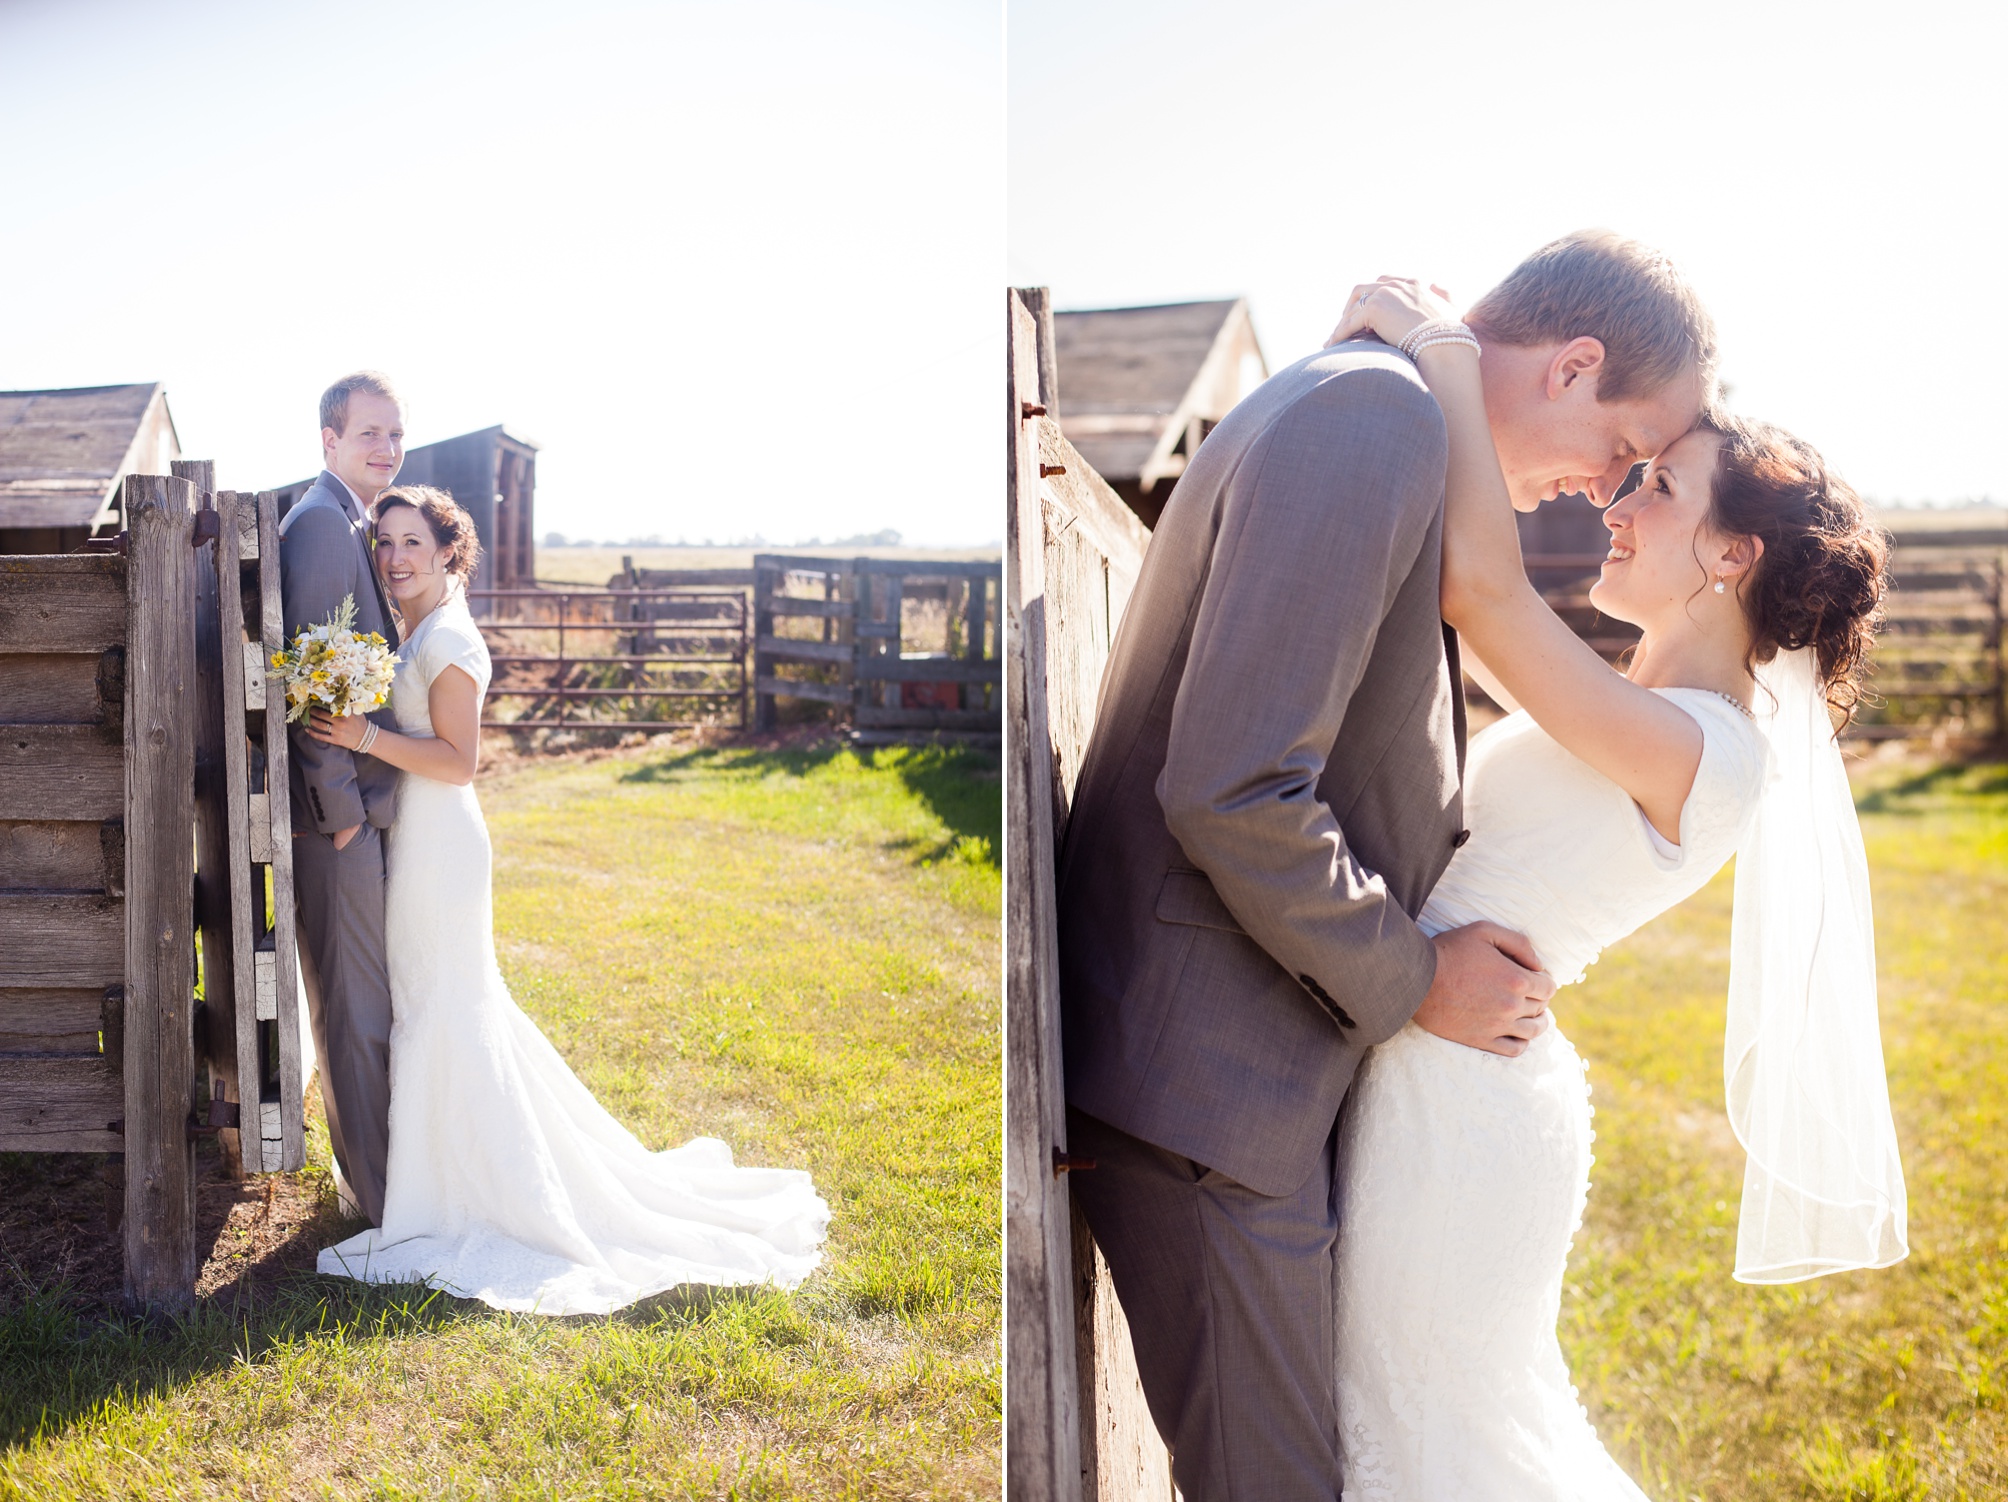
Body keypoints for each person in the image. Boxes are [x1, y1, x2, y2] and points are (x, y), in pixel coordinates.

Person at [1060, 231, 1719, 1500]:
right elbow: (1236, 786)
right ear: (1573, 366)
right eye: (1624, 451)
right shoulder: (1376, 420)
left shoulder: (1380, 411)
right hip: (1210, 1082)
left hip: (1231, 1078)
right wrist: (1417, 973)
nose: (1605, 489)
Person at [1318, 277, 1904, 1498]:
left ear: (1731, 554)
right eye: (1631, 472)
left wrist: (1439, 350)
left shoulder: (1713, 751)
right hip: (1436, 1068)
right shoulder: (1640, 711)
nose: (1618, 501)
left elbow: (1479, 593)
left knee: (1431, 1442)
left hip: (1460, 1116)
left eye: (1658, 485)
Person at [309, 487, 827, 1315]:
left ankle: (462, 1196)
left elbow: (457, 760)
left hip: (442, 844)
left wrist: (364, 737)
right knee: (431, 1002)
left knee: (447, 1006)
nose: (396, 558)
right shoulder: (417, 628)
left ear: (450, 551)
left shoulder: (448, 639)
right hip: (418, 839)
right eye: (385, 543)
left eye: (413, 543)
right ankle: (430, 1178)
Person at [278, 371, 408, 1224]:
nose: (387, 449)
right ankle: (379, 1204)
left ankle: (380, 1185)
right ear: (328, 439)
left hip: (356, 813)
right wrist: (344, 820)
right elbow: (312, 678)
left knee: (367, 1003)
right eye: (369, 433)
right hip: (341, 823)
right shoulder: (324, 524)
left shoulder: (346, 518)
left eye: (396, 434)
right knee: (356, 1012)